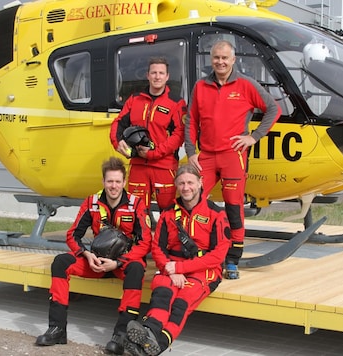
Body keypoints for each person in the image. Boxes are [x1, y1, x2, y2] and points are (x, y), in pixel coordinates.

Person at [35, 157, 153, 355]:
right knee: (60, 262)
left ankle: (121, 335)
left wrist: (117, 263)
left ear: (124, 182)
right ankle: (57, 329)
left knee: (136, 268)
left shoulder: (136, 204)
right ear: (103, 182)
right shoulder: (92, 202)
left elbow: (145, 242)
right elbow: (73, 234)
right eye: (109, 181)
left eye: (117, 181)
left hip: (122, 264)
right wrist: (87, 255)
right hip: (96, 262)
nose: (113, 186)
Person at [185, 40, 280, 279]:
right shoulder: (200, 86)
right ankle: (195, 251)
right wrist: (190, 151)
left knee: (234, 208)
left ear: (233, 60)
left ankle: (232, 259)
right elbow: (192, 120)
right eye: (216, 57)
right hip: (205, 156)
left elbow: (273, 109)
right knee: (191, 201)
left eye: (225, 58)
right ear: (211, 59)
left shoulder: (246, 84)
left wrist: (254, 137)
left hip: (232, 156)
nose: (220, 62)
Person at [124, 163, 231, 356]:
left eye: (190, 182)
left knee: (182, 301)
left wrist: (180, 268)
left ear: (200, 183)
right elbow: (157, 248)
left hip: (204, 269)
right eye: (181, 183)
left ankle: (159, 343)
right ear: (176, 185)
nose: (186, 187)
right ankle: (148, 333)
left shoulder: (216, 214)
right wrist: (168, 269)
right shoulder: (168, 214)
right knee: (162, 293)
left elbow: (217, 256)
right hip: (172, 267)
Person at [110, 56, 186, 213]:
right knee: (137, 212)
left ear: (167, 76)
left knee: (168, 213)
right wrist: (117, 143)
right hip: (138, 166)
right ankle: (140, 238)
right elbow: (118, 123)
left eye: (161, 73)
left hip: (164, 166)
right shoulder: (135, 99)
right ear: (148, 75)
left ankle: (166, 238)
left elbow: (179, 135)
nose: (157, 76)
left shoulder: (176, 103)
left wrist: (153, 153)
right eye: (154, 73)